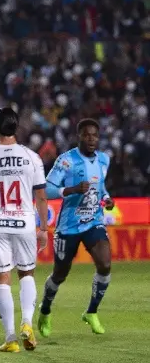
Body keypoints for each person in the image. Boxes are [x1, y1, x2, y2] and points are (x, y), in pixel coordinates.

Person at [0, 107, 49, 353]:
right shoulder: (32, 157)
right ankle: (27, 322)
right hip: (24, 222)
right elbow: (41, 197)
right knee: (27, 274)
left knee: (2, 280)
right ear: (17, 127)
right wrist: (44, 228)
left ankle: (11, 337)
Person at [39, 118, 114, 336]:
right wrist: (71, 189)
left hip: (93, 221)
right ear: (78, 136)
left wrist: (107, 199)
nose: (91, 139)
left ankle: (91, 312)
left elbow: (100, 187)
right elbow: (47, 189)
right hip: (69, 226)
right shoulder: (66, 161)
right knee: (60, 274)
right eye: (87, 135)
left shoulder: (103, 160)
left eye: (95, 135)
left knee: (105, 264)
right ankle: (45, 309)